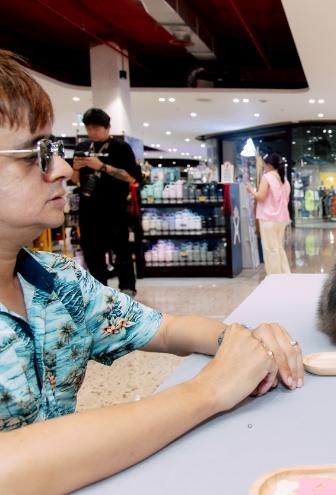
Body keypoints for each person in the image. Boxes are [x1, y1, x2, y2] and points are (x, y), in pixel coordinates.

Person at [0, 50, 304, 493]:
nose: (63, 169)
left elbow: (165, 329)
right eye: (36, 153)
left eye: (56, 151)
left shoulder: (58, 281)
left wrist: (243, 341)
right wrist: (206, 392)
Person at [73, 107, 140, 297]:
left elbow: (132, 178)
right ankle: (98, 290)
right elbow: (75, 181)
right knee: (92, 252)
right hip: (88, 209)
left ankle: (127, 287)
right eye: (88, 128)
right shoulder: (83, 147)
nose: (92, 132)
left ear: (107, 127)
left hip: (114, 207)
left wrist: (102, 166)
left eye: (96, 128)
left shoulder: (120, 147)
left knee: (121, 249)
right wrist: (75, 168)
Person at [247, 152, 291, 274]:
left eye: (264, 164)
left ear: (269, 165)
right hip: (282, 219)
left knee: (270, 249)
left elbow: (261, 197)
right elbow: (286, 200)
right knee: (279, 248)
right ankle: (285, 275)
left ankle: (274, 277)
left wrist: (251, 190)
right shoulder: (285, 180)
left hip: (268, 219)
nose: (263, 166)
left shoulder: (267, 177)